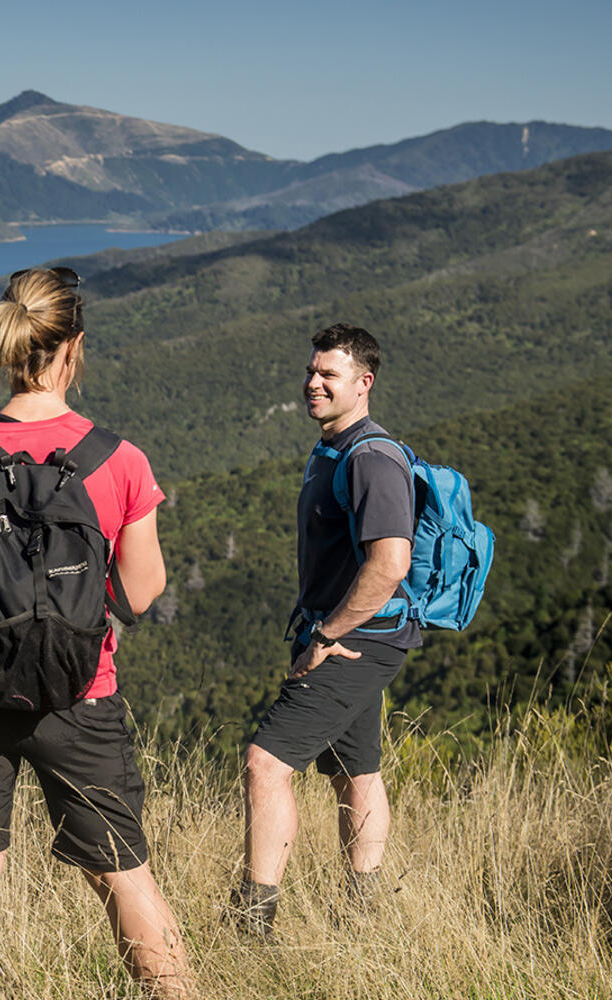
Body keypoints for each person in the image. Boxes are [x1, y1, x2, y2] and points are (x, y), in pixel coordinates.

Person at [0, 267, 193, 999]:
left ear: (11, 348)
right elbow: (141, 587)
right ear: (74, 348)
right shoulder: (118, 460)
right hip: (82, 693)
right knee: (124, 875)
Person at [230, 323, 419, 936]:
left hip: (356, 641)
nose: (313, 383)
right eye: (312, 372)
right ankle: (362, 912)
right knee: (355, 771)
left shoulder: (372, 458)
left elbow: (390, 564)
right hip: (352, 635)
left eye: (328, 375)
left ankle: (252, 922)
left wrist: (326, 636)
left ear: (364, 384)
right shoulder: (333, 448)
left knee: (265, 763)